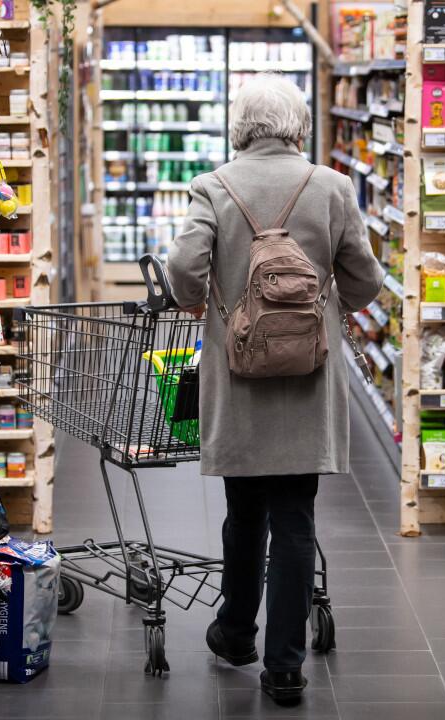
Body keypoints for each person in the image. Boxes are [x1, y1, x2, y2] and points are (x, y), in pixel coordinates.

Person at [166, 74, 384, 705]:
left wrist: (201, 300)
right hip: (308, 381)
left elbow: (184, 269)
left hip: (238, 381)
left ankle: (236, 632)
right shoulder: (333, 188)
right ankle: (284, 665)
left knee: (245, 513)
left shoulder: (213, 186)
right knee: (295, 518)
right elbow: (365, 281)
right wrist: (323, 299)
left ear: (240, 129)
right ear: (297, 127)